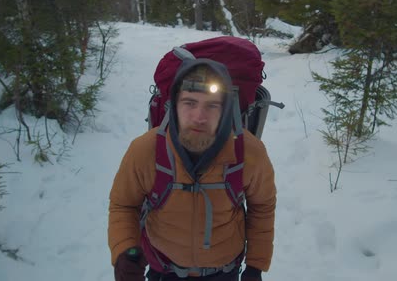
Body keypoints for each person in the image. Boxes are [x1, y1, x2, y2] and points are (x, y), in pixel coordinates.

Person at [108, 58, 276, 281]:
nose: (199, 117)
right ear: (175, 106)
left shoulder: (248, 153)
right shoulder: (146, 150)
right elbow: (124, 204)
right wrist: (124, 250)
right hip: (164, 270)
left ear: (225, 110)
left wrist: (255, 266)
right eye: (189, 103)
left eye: (212, 105)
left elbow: (262, 206)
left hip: (225, 273)